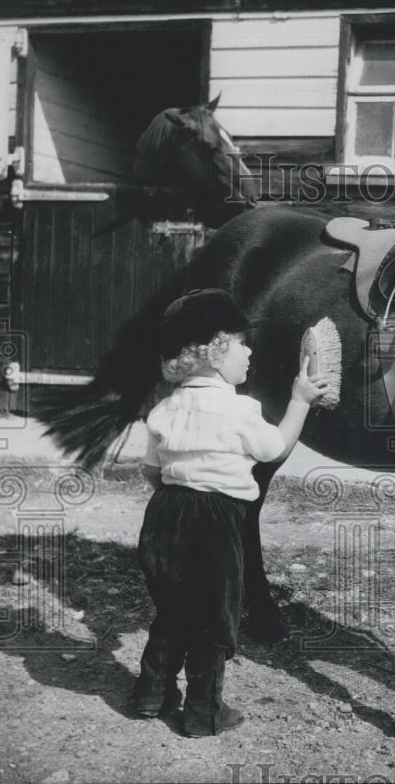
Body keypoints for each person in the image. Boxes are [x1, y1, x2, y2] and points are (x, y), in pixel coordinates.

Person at [130, 288, 327, 737]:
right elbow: (274, 449)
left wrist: (178, 491)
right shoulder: (241, 409)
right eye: (241, 342)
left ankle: (149, 694)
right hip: (216, 522)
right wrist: (299, 401)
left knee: (171, 610)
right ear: (217, 353)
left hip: (163, 515)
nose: (250, 349)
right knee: (212, 618)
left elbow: (151, 470)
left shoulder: (164, 408)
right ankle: (203, 712)